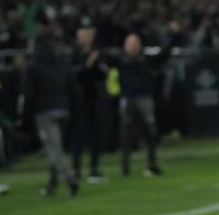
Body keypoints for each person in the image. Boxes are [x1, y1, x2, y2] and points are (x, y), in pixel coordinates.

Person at [18, 35, 80, 198]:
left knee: (54, 150)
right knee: (56, 148)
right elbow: (72, 87)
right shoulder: (61, 63)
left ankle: (71, 178)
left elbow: (28, 93)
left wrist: (25, 115)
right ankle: (52, 184)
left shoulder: (33, 66)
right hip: (64, 111)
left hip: (44, 112)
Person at [115, 34, 163, 178]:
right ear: (125, 46)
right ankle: (125, 169)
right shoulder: (121, 60)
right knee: (125, 134)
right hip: (127, 99)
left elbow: (163, 55)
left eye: (135, 43)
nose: (133, 46)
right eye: (130, 43)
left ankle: (152, 165)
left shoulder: (146, 59)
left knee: (150, 132)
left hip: (144, 98)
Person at [69, 23, 110, 183]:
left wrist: (95, 65)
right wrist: (88, 66)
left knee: (96, 136)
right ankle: (76, 170)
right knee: (78, 137)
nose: (85, 39)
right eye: (82, 36)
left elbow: (105, 72)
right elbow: (73, 74)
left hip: (95, 99)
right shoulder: (74, 55)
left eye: (87, 36)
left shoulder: (98, 53)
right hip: (79, 101)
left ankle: (94, 169)